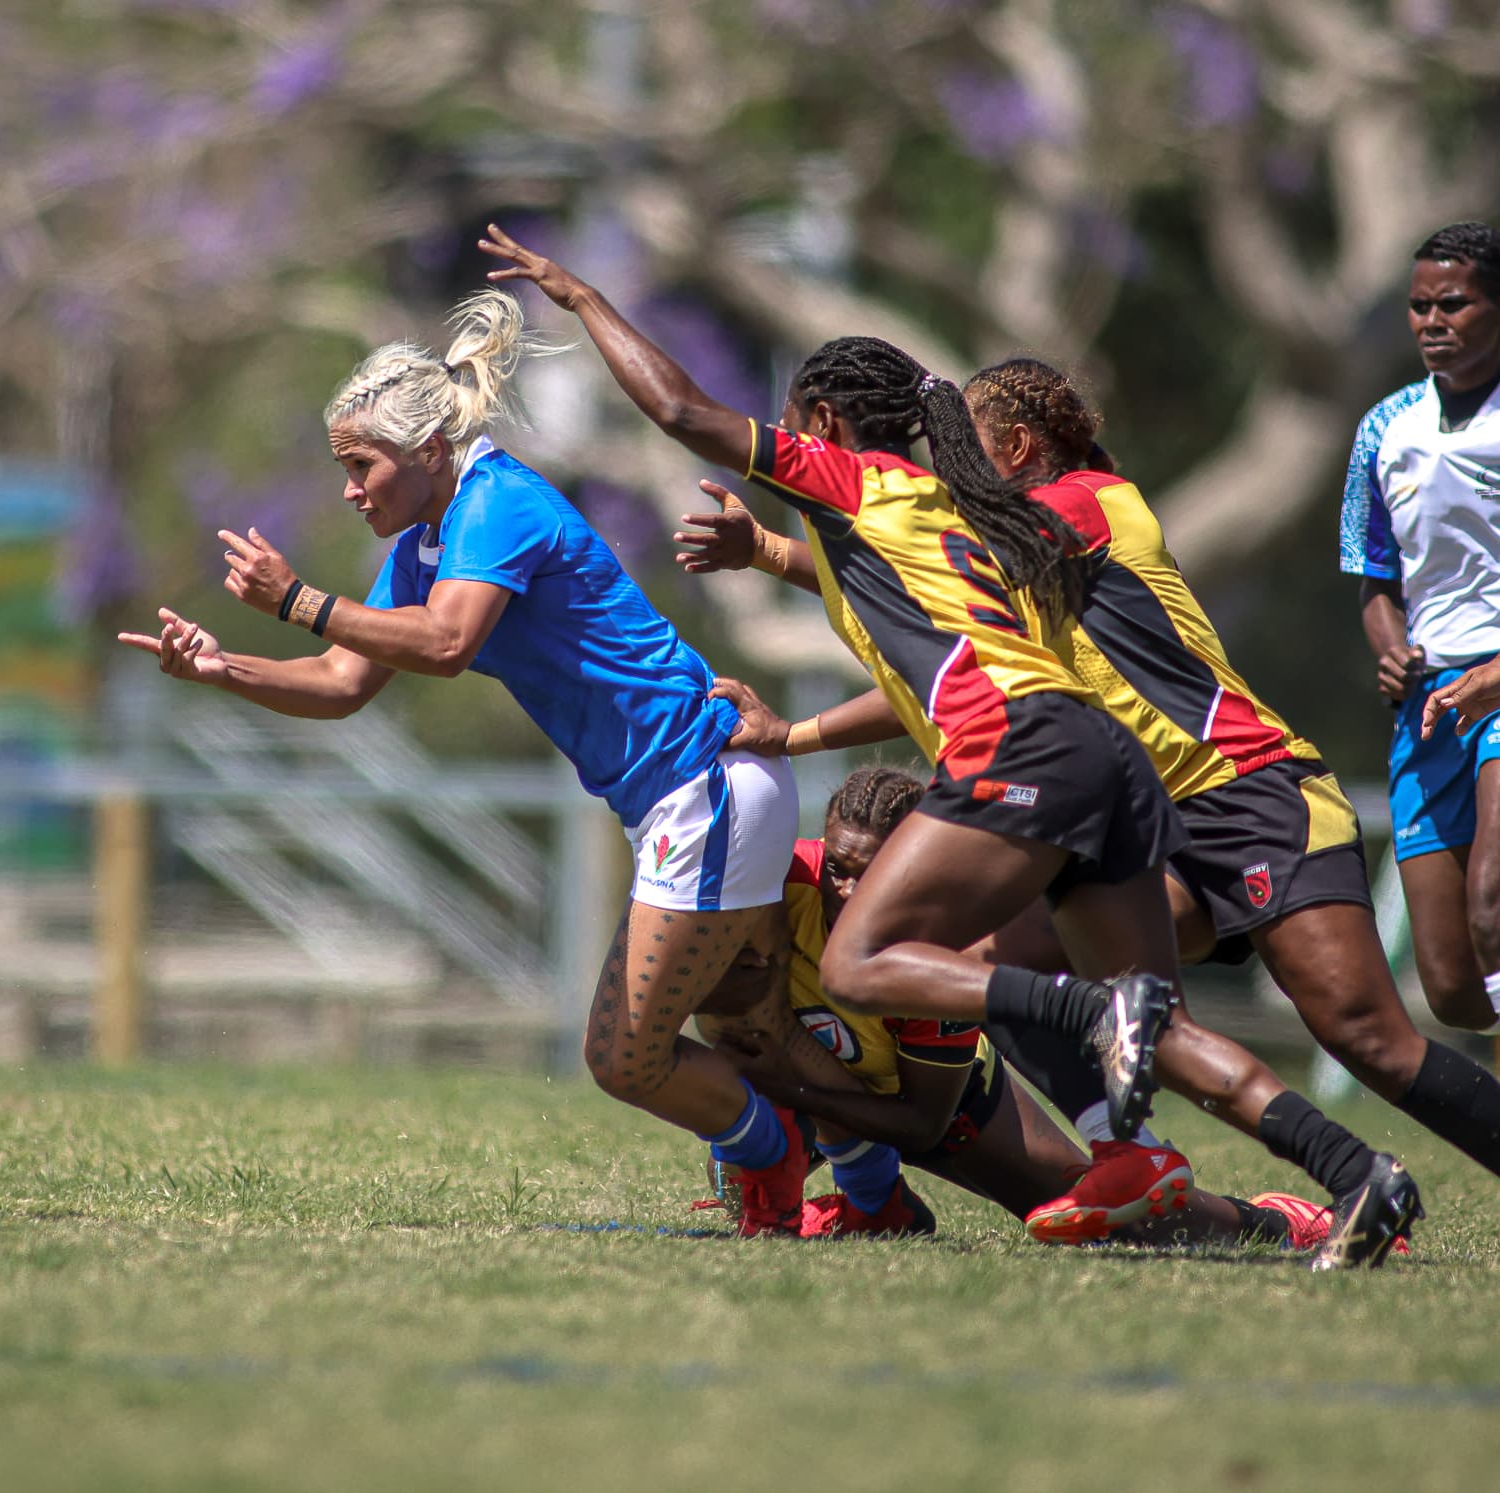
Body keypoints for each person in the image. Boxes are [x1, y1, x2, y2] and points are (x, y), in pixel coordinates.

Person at [478, 223, 1419, 1268]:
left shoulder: (853, 480)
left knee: (863, 958)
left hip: (1023, 752)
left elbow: (679, 411)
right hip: (1101, 755)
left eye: (799, 425)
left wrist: (582, 298)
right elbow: (938, 653)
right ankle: (1351, 1174)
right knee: (1159, 1033)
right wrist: (770, 572)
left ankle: (1086, 1012)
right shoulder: (953, 509)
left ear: (826, 425)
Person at [691, 357, 1500, 1229]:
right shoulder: (1013, 564)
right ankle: (1141, 1156)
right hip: (1156, 823)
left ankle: (1320, 1172)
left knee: (1367, 1038)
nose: (955, 468)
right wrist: (788, 711)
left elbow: (938, 549)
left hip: (1251, 792)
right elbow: (918, 611)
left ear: (1018, 444)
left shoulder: (1090, 502)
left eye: (973, 446)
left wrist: (775, 550)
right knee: (1003, 967)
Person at [115, 288, 828, 1238]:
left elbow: (446, 643)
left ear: (428, 452)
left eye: (359, 465)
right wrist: (220, 667)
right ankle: (833, 1175)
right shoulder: (427, 538)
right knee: (741, 1028)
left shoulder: (499, 503)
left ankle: (778, 1154)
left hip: (705, 786)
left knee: (628, 1055)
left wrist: (296, 597)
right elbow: (341, 681)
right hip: (680, 800)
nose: (347, 488)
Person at [709, 766, 1349, 1254]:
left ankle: (1281, 1222)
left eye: (868, 874)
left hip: (949, 1105)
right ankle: (875, 1206)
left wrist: (791, 1092)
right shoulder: (781, 884)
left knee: (1120, 1229)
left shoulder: (936, 941)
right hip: (844, 1092)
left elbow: (923, 1122)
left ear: (905, 869)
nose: (846, 891)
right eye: (838, 868)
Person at [1344, 223, 1500, 1034]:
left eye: (1454, 304)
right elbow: (1376, 582)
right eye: (1418, 307)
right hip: (1431, 703)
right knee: (1448, 984)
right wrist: (1392, 652)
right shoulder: (1385, 428)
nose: (1432, 321)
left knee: (1491, 901)